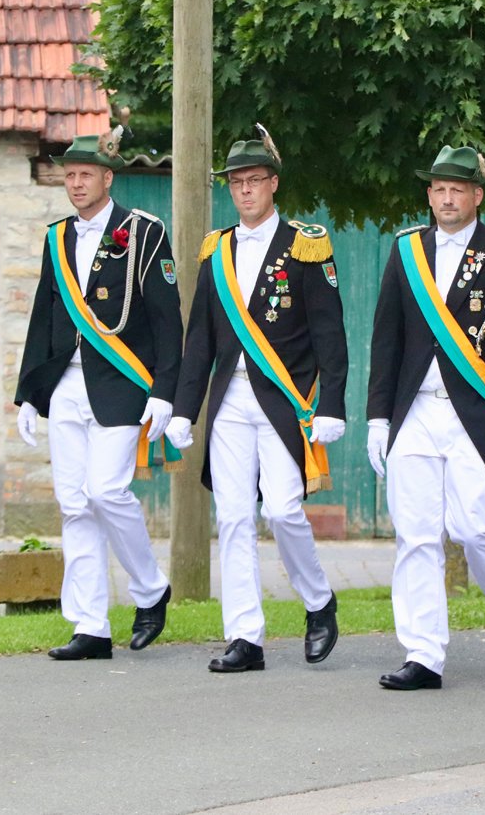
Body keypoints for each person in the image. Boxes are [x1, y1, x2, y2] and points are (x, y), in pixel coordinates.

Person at [366, 145, 485, 691]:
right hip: (416, 411)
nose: (447, 199)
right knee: (416, 534)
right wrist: (378, 418)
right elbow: (386, 340)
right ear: (429, 194)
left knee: (474, 526)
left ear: (477, 196)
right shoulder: (407, 250)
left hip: (476, 414)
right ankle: (423, 655)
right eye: (439, 189)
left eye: (457, 190)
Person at [167, 127, 347, 673]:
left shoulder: (305, 245)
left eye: (254, 180)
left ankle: (318, 601)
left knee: (284, 510)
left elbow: (330, 335)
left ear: (273, 184)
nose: (244, 190)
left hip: (284, 400)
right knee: (234, 517)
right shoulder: (216, 249)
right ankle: (245, 637)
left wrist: (333, 404)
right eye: (236, 182)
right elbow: (199, 339)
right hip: (229, 401)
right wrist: (183, 409)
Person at [15, 130, 183, 660]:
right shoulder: (57, 237)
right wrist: (29, 393)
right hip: (66, 385)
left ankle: (150, 587)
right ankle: (90, 627)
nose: (76, 183)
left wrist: (166, 391)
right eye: (69, 175)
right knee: (74, 505)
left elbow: (167, 320)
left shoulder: (145, 232)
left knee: (105, 491)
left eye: (85, 174)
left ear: (108, 178)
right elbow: (44, 314)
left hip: (122, 384)